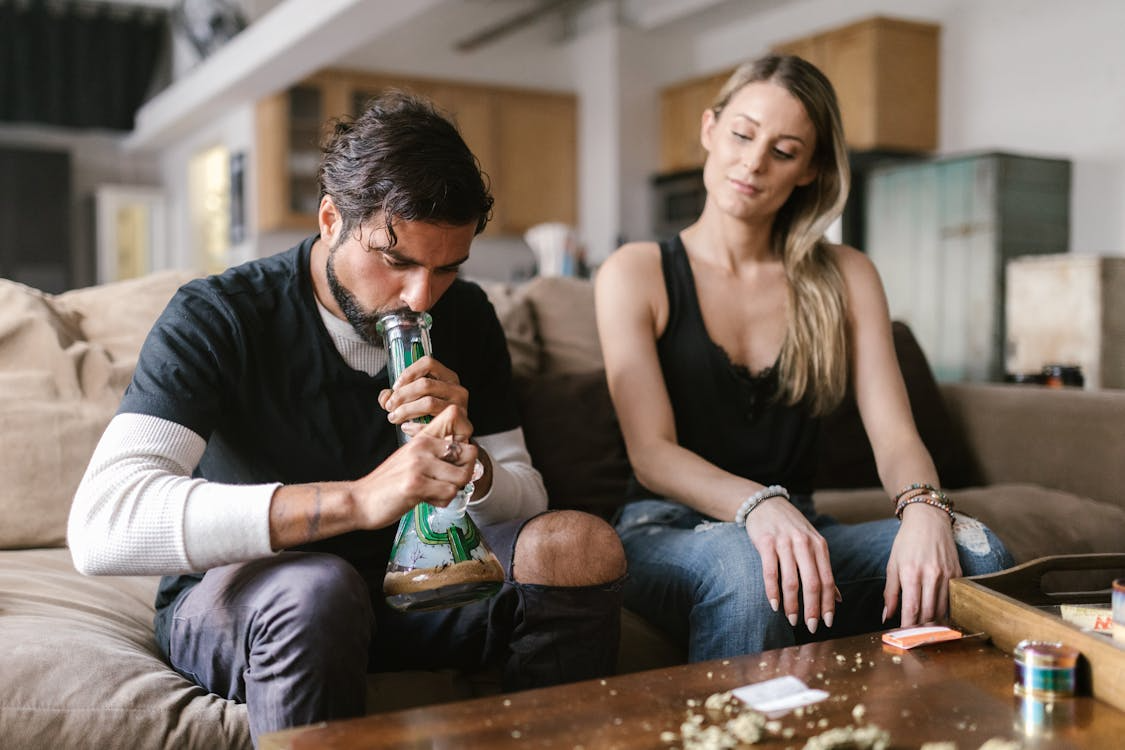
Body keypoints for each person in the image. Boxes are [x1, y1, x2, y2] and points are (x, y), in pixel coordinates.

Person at [69, 91, 626, 744]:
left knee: (578, 545)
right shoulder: (219, 315)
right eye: (397, 261)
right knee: (319, 589)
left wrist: (470, 468)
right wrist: (358, 500)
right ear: (331, 217)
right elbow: (103, 524)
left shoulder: (467, 315)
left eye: (446, 268)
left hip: (419, 587)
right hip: (264, 598)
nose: (421, 297)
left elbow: (526, 495)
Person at [594, 55, 1012, 663]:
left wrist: (924, 508)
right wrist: (759, 505)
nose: (753, 162)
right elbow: (651, 453)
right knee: (746, 566)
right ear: (710, 129)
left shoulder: (847, 275)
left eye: (784, 151)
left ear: (810, 170)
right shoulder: (635, 272)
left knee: (978, 552)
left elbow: (896, 436)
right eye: (742, 135)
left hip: (798, 528)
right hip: (664, 529)